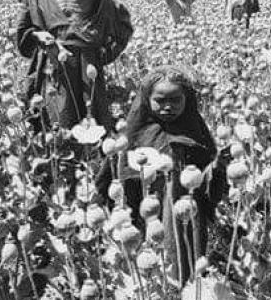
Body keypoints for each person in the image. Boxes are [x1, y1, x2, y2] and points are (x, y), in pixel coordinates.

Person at [95, 66, 228, 282]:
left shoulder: (195, 132)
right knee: (147, 272)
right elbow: (112, 181)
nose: (167, 106)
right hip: (142, 219)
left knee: (184, 271)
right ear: (147, 99)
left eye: (175, 100)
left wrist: (217, 167)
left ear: (188, 99)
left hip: (184, 219)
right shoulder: (133, 135)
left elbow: (206, 188)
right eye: (160, 100)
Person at [15, 0, 133, 132]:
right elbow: (24, 31)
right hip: (52, 68)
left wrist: (100, 57)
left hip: (88, 70)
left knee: (92, 123)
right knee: (56, 123)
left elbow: (123, 26)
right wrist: (38, 36)